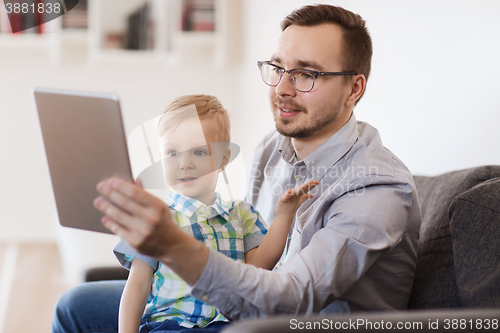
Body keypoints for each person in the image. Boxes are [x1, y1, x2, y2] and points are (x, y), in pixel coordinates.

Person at [52, 4, 421, 333]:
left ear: (354, 89)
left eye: (306, 74)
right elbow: (246, 254)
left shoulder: (377, 189)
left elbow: (292, 298)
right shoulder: (272, 149)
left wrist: (177, 247)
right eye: (278, 68)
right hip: (243, 315)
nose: (283, 88)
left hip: (291, 324)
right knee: (75, 306)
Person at [114, 94, 318, 333]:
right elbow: (137, 284)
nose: (184, 163)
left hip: (230, 325)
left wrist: (284, 216)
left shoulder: (241, 214)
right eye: (172, 153)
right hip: (171, 325)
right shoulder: (155, 219)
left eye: (199, 152)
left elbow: (258, 267)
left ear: (223, 159)